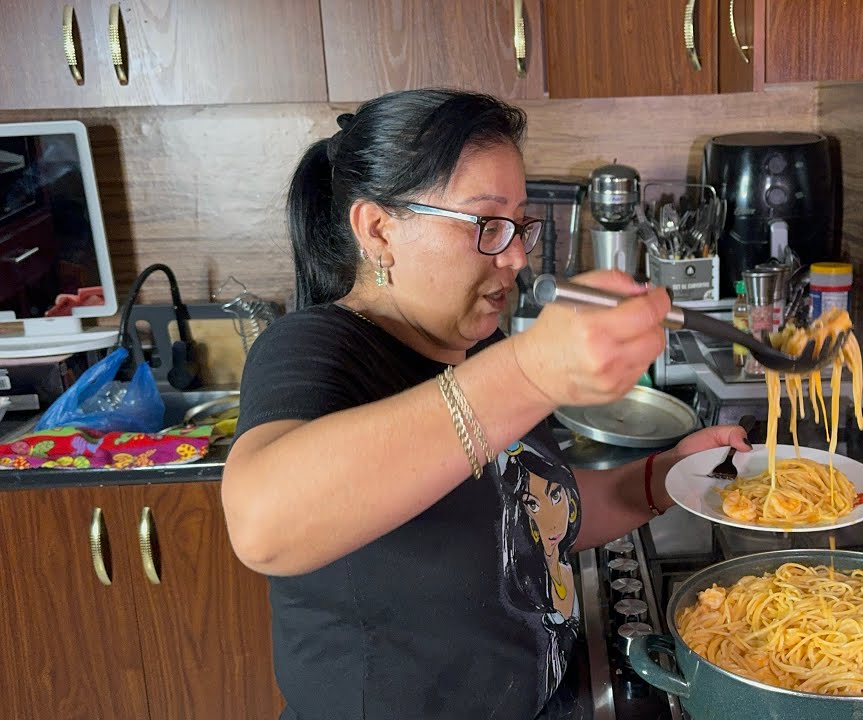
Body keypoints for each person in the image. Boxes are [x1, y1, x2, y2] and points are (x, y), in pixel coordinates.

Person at [221, 88, 750, 720]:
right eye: (487, 225)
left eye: (520, 224)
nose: (519, 256)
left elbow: (536, 514)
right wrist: (528, 373)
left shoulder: (477, 348)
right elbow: (263, 524)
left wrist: (663, 479)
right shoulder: (317, 348)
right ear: (379, 229)